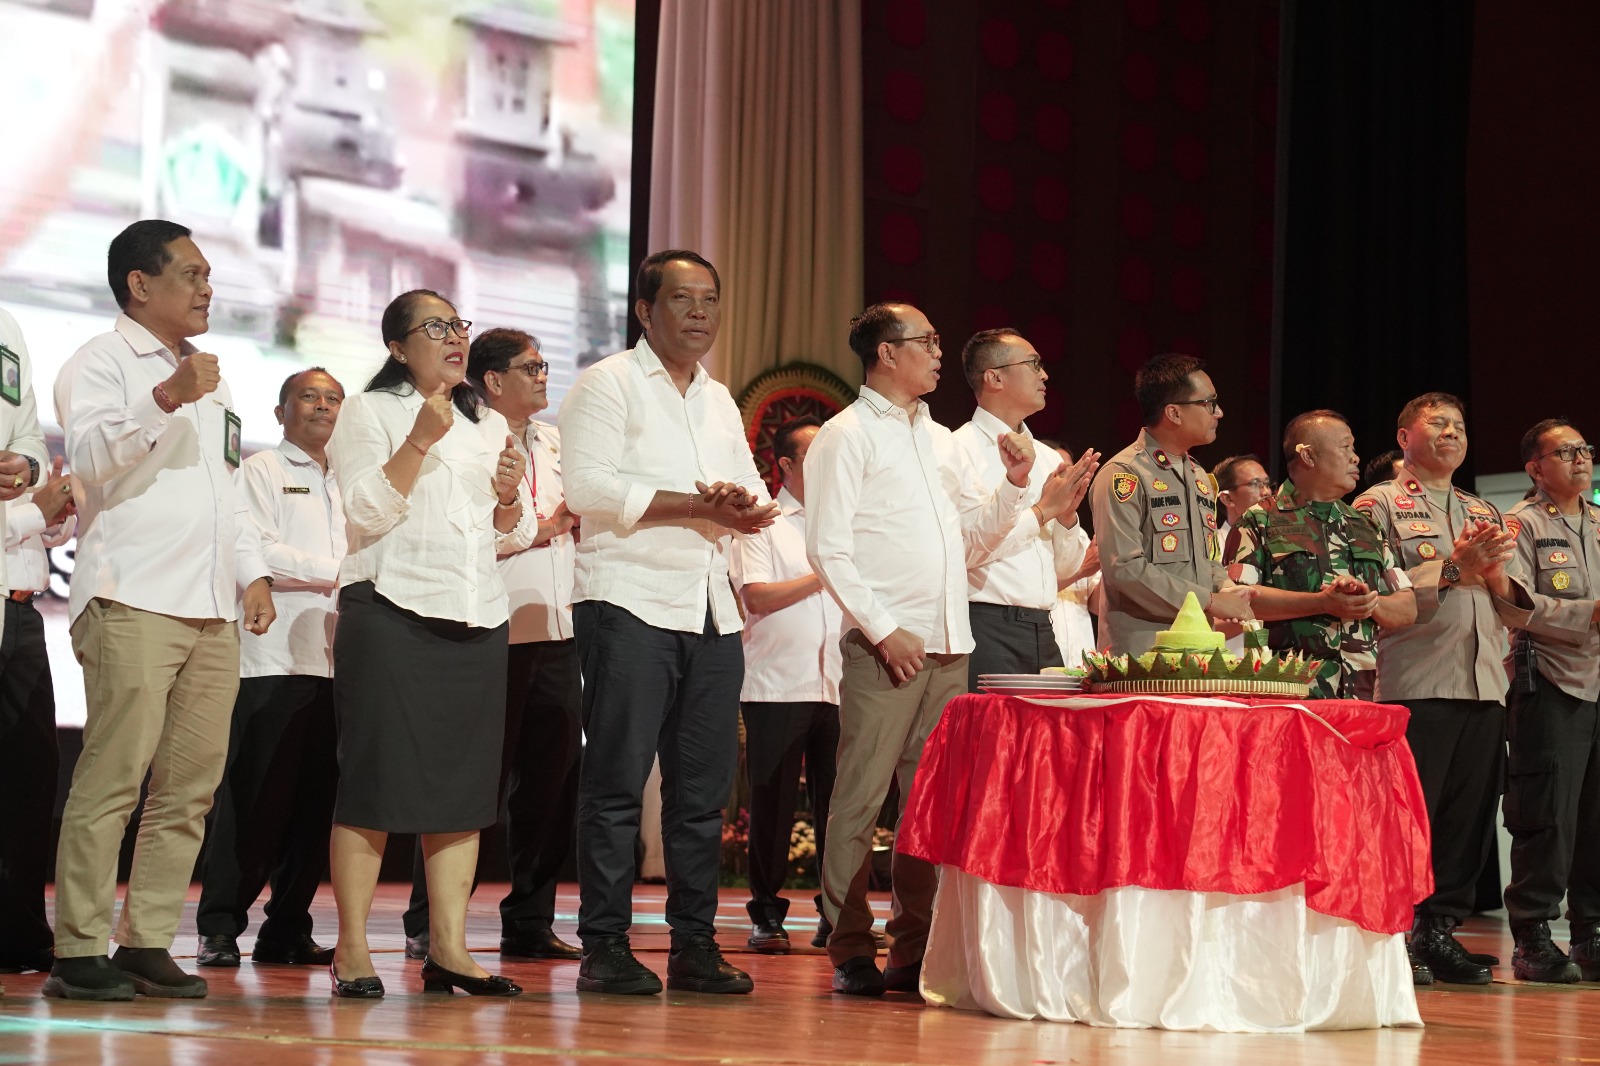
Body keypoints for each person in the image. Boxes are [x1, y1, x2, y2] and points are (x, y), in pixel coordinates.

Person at [46, 220, 275, 1001]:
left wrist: (252, 574)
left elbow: (230, 492)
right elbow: (90, 458)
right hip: (131, 595)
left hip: (211, 607)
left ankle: (144, 940)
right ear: (140, 284)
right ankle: (78, 948)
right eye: (193, 274)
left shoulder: (216, 381)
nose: (209, 288)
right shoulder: (101, 360)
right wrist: (168, 396)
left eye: (210, 275)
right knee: (113, 778)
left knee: (189, 790)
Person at [805, 302, 1042, 997]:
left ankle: (913, 948)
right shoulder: (845, 435)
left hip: (948, 643)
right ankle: (850, 946)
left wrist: (1014, 487)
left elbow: (967, 543)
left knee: (929, 805)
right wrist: (884, 629)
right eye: (927, 342)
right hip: (888, 646)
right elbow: (828, 548)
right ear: (885, 352)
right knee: (859, 798)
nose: (939, 353)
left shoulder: (938, 439)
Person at [559, 250, 776, 997]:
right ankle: (604, 945)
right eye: (682, 299)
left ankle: (694, 945)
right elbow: (588, 489)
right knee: (617, 782)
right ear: (645, 311)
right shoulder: (607, 382)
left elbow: (750, 487)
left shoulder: (717, 398)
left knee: (701, 794)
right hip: (628, 600)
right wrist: (695, 505)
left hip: (711, 607)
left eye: (710, 299)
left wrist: (741, 503)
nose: (700, 312)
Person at [324, 289, 535, 999]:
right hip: (391, 610)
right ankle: (353, 947)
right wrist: (417, 439)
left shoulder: (485, 420)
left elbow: (514, 534)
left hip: (476, 617)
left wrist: (508, 496)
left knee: (463, 792)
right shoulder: (369, 411)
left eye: (458, 325)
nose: (454, 338)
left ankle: (448, 949)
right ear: (397, 346)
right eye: (436, 327)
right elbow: (364, 511)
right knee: (374, 782)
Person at [402, 327, 584, 964]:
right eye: (530, 367)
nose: (543, 375)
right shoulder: (462, 438)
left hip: (559, 629)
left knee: (551, 786)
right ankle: (430, 921)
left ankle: (530, 920)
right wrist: (544, 529)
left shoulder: (559, 442)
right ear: (493, 380)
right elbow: (461, 530)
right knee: (470, 782)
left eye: (544, 364)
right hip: (489, 628)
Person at [1353, 391, 1518, 985]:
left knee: (1466, 819)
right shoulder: (1376, 504)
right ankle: (1394, 933)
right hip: (1417, 681)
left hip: (1484, 683)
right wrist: (1454, 568)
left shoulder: (1482, 509)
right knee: (1409, 817)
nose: (1452, 432)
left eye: (1459, 425)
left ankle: (1438, 930)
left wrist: (1493, 575)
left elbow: (1514, 607)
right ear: (1405, 438)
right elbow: (1379, 595)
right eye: (1438, 423)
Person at [196, 369, 346, 970]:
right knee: (255, 800)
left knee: (317, 807)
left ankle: (286, 928)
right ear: (281, 411)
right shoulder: (262, 470)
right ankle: (219, 926)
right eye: (309, 397)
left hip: (340, 660)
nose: (323, 406)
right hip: (274, 659)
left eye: (333, 399)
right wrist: (340, 571)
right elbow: (253, 547)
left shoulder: (352, 478)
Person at [731, 415, 843, 954]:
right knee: (772, 803)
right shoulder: (762, 523)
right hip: (778, 682)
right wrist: (825, 575)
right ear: (786, 465)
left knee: (840, 807)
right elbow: (756, 596)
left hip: (840, 682)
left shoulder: (845, 523)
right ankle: (766, 915)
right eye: (815, 458)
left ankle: (837, 914)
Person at [1495, 419, 1600, 983]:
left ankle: (1592, 933)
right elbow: (1514, 605)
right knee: (1548, 814)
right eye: (1566, 452)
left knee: (1596, 816)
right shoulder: (1521, 524)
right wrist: (1589, 614)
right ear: (1536, 467)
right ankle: (1533, 937)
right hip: (1553, 679)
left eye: (1585, 450)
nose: (1581, 459)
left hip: (1599, 680)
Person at [1228, 411, 1416, 699]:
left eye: (1353, 448)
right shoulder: (1259, 520)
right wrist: (1321, 603)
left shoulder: (1365, 526)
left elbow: (1407, 607)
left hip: (1363, 694)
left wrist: (1366, 602)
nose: (1355, 457)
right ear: (1308, 456)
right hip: (1289, 691)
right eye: (1345, 447)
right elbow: (1235, 601)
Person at [952, 329, 1099, 687]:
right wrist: (1044, 511)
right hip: (985, 626)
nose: (1044, 375)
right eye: (1033, 364)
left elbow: (1066, 568)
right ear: (995, 377)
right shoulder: (958, 449)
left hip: (1044, 628)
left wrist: (1067, 517)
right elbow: (967, 551)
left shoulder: (1048, 457)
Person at [1089, 354, 1254, 655]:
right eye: (1209, 403)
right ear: (1174, 413)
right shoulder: (1124, 474)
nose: (1219, 413)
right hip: (1143, 652)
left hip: (1199, 645)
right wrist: (1209, 601)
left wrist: (1224, 586)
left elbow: (1206, 558)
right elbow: (1124, 568)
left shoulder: (1198, 475)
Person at [0, 306, 62, 992]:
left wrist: (28, 465)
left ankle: (19, 929)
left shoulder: (8, 325)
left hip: (19, 599)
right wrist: (27, 514)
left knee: (31, 774)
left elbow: (29, 437)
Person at [1038, 441, 1102, 667]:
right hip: (1043, 659)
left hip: (1082, 659)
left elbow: (1097, 605)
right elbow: (1031, 592)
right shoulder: (1030, 530)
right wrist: (1082, 569)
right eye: (1061, 472)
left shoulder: (1080, 535)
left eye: (1073, 471)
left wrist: (1112, 561)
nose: (1070, 479)